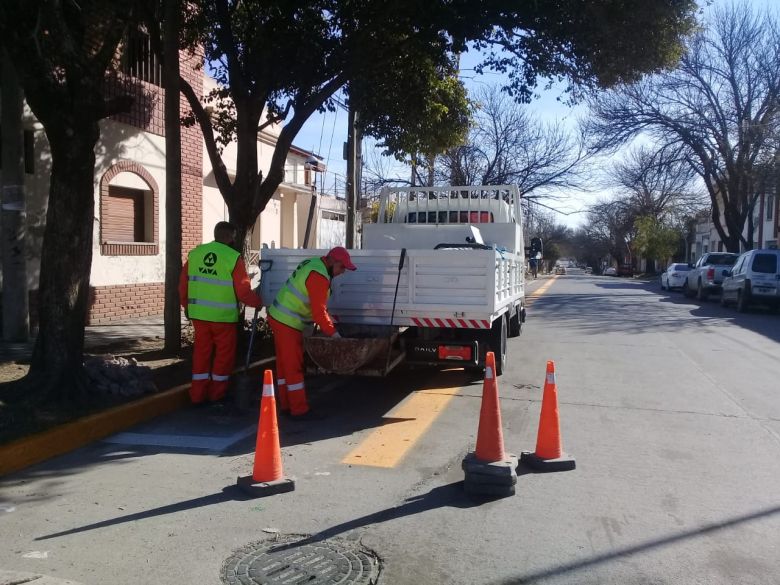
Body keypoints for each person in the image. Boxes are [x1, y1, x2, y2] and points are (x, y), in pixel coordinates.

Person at [267, 246, 356, 419]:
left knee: (285, 365)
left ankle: (286, 405)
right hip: (288, 322)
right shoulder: (319, 277)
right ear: (332, 262)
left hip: (280, 317)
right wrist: (334, 335)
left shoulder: (315, 264)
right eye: (342, 267)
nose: (343, 272)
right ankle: (298, 410)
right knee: (293, 366)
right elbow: (319, 313)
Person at [179, 221, 263, 404]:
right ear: (229, 236)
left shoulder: (195, 254)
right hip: (223, 319)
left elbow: (183, 285)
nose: (234, 240)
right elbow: (243, 291)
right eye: (233, 236)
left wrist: (186, 306)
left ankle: (197, 395)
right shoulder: (232, 258)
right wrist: (257, 302)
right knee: (223, 357)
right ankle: (217, 395)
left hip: (199, 317)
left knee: (201, 354)